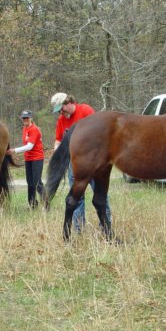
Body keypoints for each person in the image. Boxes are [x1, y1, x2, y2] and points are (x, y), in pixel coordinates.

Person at [50, 92, 111, 232]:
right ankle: (79, 229)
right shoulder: (61, 120)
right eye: (58, 111)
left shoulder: (86, 110)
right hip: (75, 164)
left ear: (68, 102)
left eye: (61, 108)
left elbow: (100, 133)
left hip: (94, 163)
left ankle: (106, 226)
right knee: (77, 197)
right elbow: (59, 139)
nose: (61, 112)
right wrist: (57, 152)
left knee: (100, 194)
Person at [7, 110, 44, 209]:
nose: (25, 120)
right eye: (23, 118)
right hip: (28, 159)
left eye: (27, 118)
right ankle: (32, 204)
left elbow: (29, 146)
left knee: (37, 182)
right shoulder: (25, 128)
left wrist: (14, 150)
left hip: (37, 159)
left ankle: (46, 203)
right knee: (30, 182)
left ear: (31, 118)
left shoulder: (34, 129)